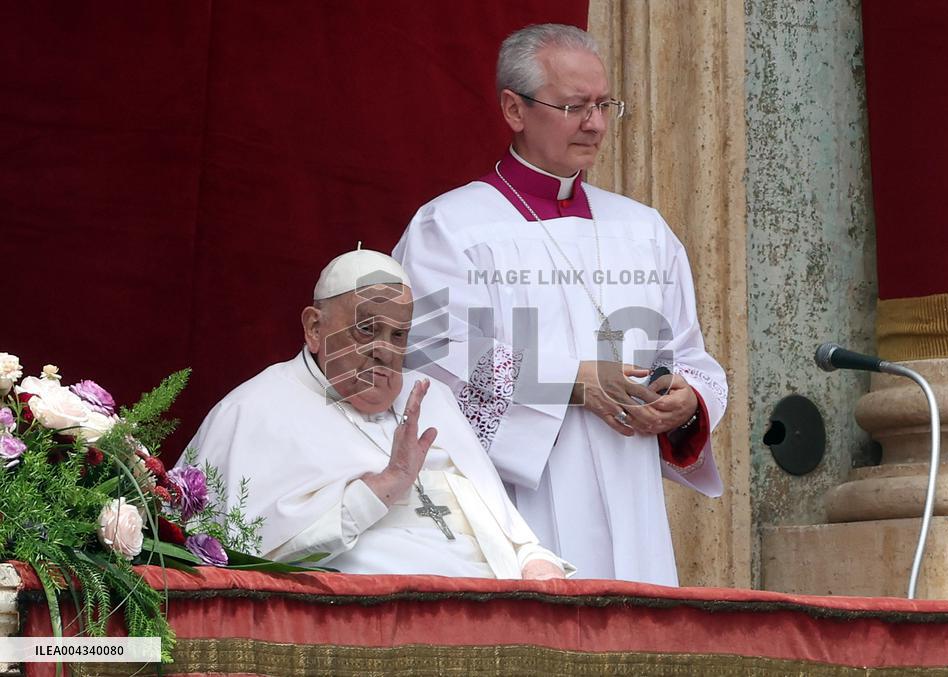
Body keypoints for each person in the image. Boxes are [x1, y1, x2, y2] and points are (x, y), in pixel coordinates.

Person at [392, 24, 727, 586]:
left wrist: (687, 401)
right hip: (520, 499)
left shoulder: (643, 230)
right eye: (574, 106)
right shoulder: (450, 227)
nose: (594, 124)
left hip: (632, 496)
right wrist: (570, 381)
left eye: (603, 105)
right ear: (514, 109)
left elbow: (690, 355)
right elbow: (431, 358)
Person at [181, 248, 572, 579]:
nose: (385, 350)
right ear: (315, 328)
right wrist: (386, 484)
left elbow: (497, 515)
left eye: (398, 336)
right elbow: (254, 562)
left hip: (490, 604)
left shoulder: (430, 397)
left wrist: (533, 559)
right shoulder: (251, 411)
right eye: (367, 329)